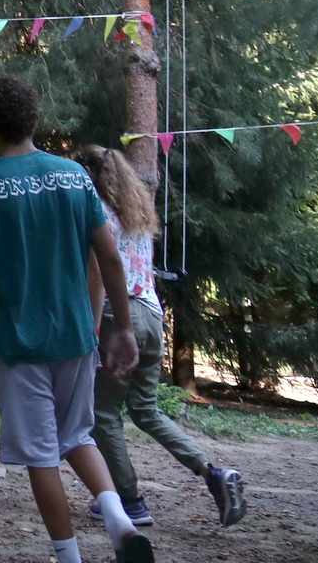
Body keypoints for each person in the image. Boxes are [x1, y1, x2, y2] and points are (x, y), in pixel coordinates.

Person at [0, 75, 153, 563]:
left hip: (21, 344)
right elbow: (110, 258)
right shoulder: (75, 176)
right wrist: (121, 328)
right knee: (76, 436)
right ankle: (119, 521)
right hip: (77, 336)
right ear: (32, 120)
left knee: (41, 455)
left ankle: (69, 556)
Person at [72, 144, 246, 529]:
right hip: (152, 315)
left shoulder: (94, 214)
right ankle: (213, 473)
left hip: (119, 318)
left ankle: (129, 501)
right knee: (145, 409)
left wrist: (93, 332)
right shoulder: (135, 213)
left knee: (102, 414)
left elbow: (99, 278)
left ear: (88, 174)